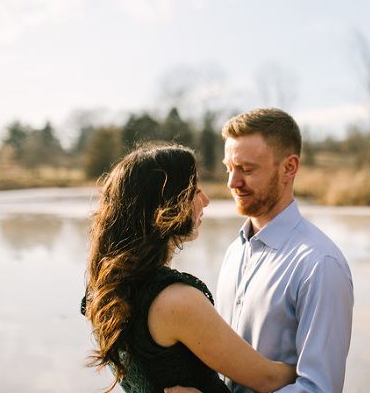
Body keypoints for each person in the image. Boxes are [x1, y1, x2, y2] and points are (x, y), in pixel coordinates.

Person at [82, 142, 297, 393]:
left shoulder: (103, 290)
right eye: (195, 191)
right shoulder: (176, 300)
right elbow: (267, 380)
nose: (205, 201)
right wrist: (315, 366)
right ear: (165, 204)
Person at [216, 108, 354, 393]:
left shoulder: (320, 264)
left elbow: (318, 389)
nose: (232, 182)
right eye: (229, 168)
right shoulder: (233, 252)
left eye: (247, 169)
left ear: (289, 168)